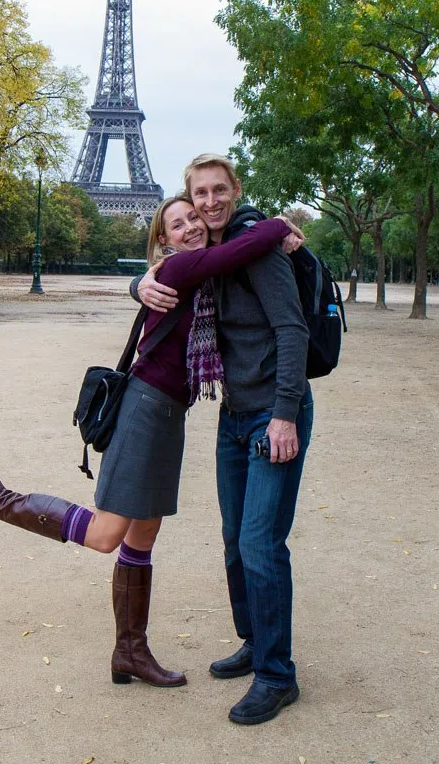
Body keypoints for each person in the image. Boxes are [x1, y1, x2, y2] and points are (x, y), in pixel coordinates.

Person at [0, 196, 299, 690]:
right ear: (163, 240)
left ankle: (129, 652)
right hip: (145, 410)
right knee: (106, 534)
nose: (191, 227)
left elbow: (227, 264)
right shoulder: (179, 270)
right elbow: (237, 251)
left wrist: (139, 283)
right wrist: (280, 223)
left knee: (142, 537)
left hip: (168, 415)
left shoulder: (189, 279)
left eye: (195, 219)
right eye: (177, 224)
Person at [134, 154, 311, 725]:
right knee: (235, 541)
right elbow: (164, 272)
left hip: (272, 416)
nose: (208, 203)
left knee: (260, 543)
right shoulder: (204, 263)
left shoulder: (259, 248)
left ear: (234, 191)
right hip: (233, 415)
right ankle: (255, 642)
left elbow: (292, 329)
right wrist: (138, 282)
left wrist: (284, 414)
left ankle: (277, 676)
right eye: (198, 194)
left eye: (217, 191)